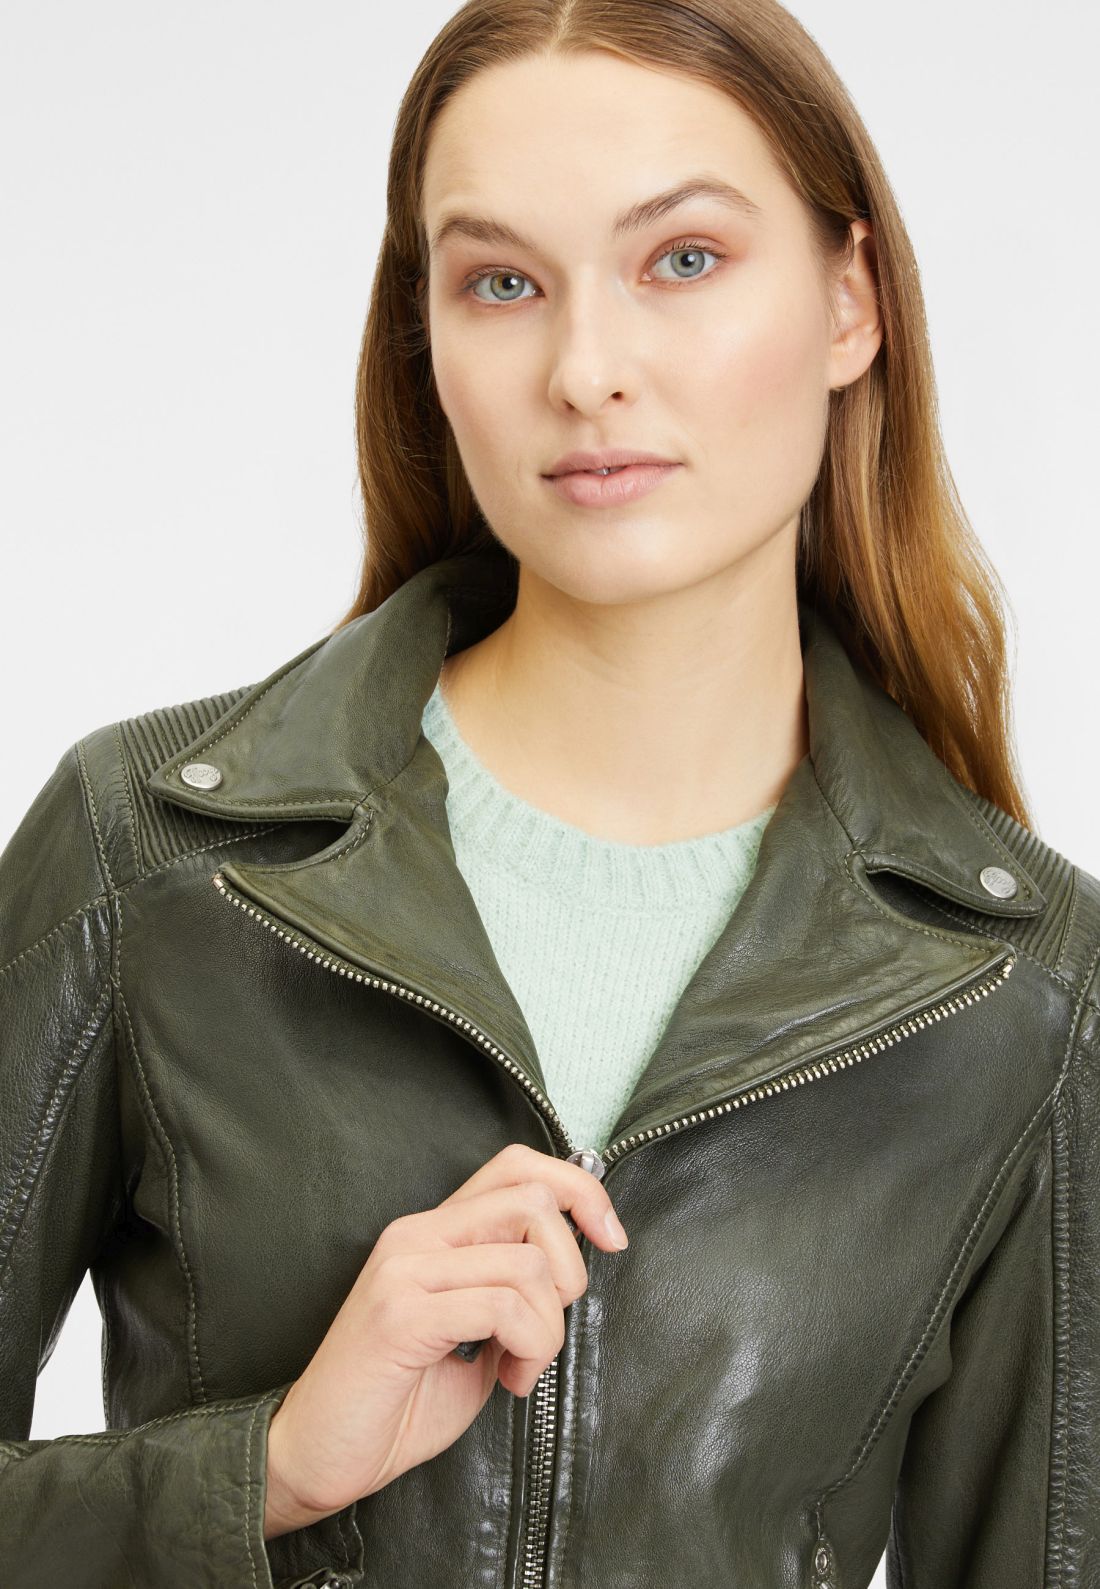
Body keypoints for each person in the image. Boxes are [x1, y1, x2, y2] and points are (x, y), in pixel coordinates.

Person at [1, 1, 1096, 1585]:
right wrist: (269, 1470)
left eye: (684, 260)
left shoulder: (1024, 997)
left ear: (850, 303)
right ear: (428, 338)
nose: (587, 371)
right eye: (502, 282)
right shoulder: (149, 861)